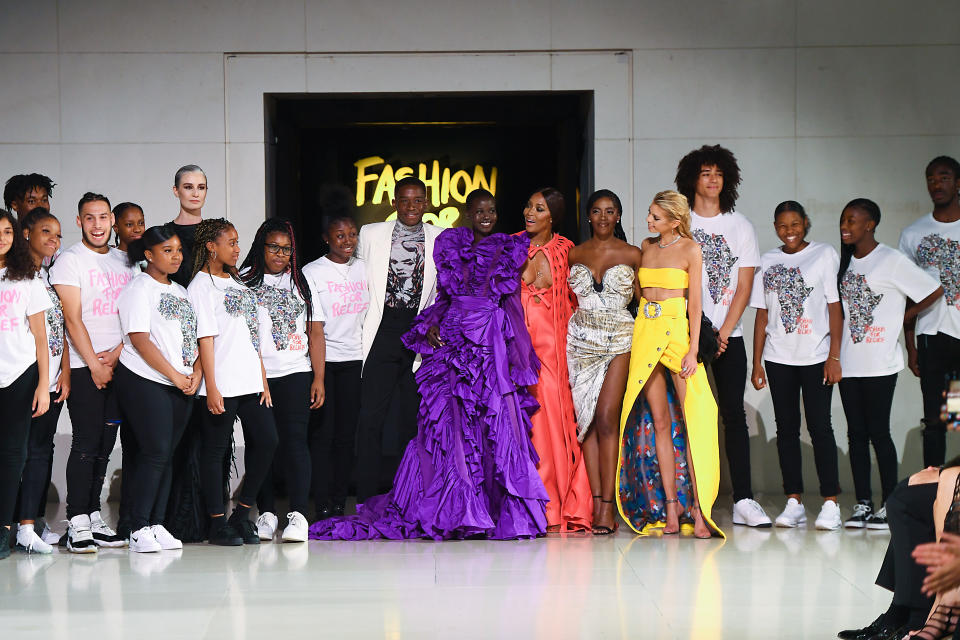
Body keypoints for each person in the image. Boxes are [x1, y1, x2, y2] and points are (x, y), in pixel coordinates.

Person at [309, 188, 548, 540]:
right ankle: (371, 498)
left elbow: (514, 294)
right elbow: (435, 293)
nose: (485, 215)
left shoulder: (478, 242)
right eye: (479, 210)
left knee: (470, 420)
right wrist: (434, 324)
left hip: (481, 341)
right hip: (408, 333)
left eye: (491, 210)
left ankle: (478, 504)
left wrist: (513, 345)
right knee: (396, 420)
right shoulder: (387, 236)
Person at [618, 190, 722, 539]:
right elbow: (637, 294)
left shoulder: (691, 250)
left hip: (678, 334)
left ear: (675, 221)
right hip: (646, 332)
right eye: (649, 214)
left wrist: (693, 351)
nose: (649, 221)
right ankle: (671, 507)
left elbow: (696, 306)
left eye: (656, 217)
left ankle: (700, 509)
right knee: (659, 421)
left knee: (695, 420)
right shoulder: (646, 248)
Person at [675, 144, 770, 527]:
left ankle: (744, 499)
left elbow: (745, 286)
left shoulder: (740, 225)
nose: (713, 180)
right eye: (705, 173)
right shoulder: (682, 225)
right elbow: (673, 282)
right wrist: (700, 333)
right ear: (692, 179)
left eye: (718, 173)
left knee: (733, 415)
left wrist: (724, 333)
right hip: (688, 334)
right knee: (687, 416)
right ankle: (688, 500)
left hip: (730, 336)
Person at [838, 198, 942, 529]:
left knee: (878, 432)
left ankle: (887, 503)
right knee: (856, 434)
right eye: (843, 220)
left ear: (870, 224)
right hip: (850, 362)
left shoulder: (891, 260)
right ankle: (862, 503)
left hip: (881, 362)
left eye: (852, 220)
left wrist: (901, 318)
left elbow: (933, 290)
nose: (845, 226)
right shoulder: (846, 263)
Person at [50, 192, 137, 553]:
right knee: (86, 442)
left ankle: (94, 515)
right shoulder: (70, 261)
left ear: (112, 222)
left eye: (103, 218)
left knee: (106, 443)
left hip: (122, 364)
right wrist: (95, 364)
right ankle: (77, 520)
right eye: (90, 218)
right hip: (85, 367)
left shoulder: (126, 261)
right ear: (79, 221)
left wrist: (116, 356)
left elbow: (134, 313)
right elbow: (72, 318)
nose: (98, 225)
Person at [749, 201, 843, 530]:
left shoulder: (824, 253)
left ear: (806, 222)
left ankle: (831, 502)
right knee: (786, 429)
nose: (790, 231)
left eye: (795, 224)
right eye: (782, 226)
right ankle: (794, 501)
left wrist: (834, 356)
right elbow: (762, 314)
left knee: (820, 427)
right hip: (778, 356)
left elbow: (834, 307)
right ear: (775, 227)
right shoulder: (767, 261)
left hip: (816, 356)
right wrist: (756, 361)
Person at [187, 218, 278, 546]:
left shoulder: (238, 282)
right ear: (212, 246)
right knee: (215, 452)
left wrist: (263, 379)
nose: (238, 249)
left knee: (268, 441)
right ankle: (216, 523)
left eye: (238, 242)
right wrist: (211, 386)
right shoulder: (201, 286)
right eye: (231, 242)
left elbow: (252, 335)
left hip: (250, 381)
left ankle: (241, 515)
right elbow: (205, 340)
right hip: (221, 382)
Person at [354, 177, 442, 502]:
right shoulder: (370, 233)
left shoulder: (439, 238)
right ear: (394, 202)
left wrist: (433, 324)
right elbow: (359, 283)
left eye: (417, 201)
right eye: (404, 201)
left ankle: (408, 495)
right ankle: (365, 496)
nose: (410, 207)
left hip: (418, 333)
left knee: (411, 419)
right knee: (371, 418)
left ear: (426, 203)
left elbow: (441, 291)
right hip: (383, 328)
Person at [115, 225, 201, 552]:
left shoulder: (180, 291)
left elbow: (192, 336)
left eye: (178, 250)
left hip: (181, 382)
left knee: (166, 456)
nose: (176, 256)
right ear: (149, 255)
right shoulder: (140, 288)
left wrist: (193, 373)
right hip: (146, 380)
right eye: (167, 250)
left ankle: (156, 523)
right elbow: (139, 338)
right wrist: (174, 376)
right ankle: (137, 527)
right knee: (154, 453)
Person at [240, 218, 325, 543]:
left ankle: (299, 515)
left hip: (295, 373)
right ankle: (265, 513)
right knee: (262, 445)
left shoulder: (301, 283)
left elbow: (315, 332)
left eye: (286, 249)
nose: (280, 254)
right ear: (261, 247)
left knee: (294, 443)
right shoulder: (244, 282)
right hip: (254, 375)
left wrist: (318, 377)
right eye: (274, 247)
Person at [566, 189, 642, 535]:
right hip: (580, 340)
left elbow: (647, 303)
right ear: (589, 216)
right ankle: (595, 502)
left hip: (620, 338)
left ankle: (608, 506)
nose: (603, 218)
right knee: (588, 423)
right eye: (596, 212)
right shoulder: (574, 253)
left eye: (610, 212)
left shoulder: (633, 254)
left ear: (618, 216)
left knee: (608, 415)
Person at [520, 187, 592, 533]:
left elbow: (577, 302)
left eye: (538, 209)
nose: (529, 213)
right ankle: (523, 504)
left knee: (548, 420)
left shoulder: (566, 251)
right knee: (521, 420)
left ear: (553, 217)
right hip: (517, 347)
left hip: (552, 350)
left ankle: (551, 503)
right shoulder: (511, 245)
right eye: (529, 206)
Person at [303, 214, 369, 519]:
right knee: (322, 437)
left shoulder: (364, 269)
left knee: (347, 437)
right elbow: (314, 328)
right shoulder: (312, 271)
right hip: (325, 363)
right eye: (340, 236)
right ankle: (321, 502)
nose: (348, 241)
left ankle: (340, 502)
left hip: (356, 361)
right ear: (326, 238)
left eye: (352, 234)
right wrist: (318, 376)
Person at [899, 156, 960, 468]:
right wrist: (910, 346)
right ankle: (933, 490)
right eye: (931, 178)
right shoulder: (914, 234)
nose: (937, 184)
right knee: (935, 420)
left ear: (958, 183)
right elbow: (907, 297)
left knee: (957, 418)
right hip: (932, 339)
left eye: (944, 177)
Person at [14, 208, 68, 552]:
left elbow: (59, 327)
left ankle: (30, 520)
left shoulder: (48, 276)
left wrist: (64, 371)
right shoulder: (15, 277)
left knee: (40, 450)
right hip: (26, 377)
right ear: (26, 234)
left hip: (52, 378)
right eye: (46, 231)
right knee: (21, 452)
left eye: (58, 234)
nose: (53, 239)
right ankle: (21, 525)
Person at [0, 210, 51, 560]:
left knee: (12, 455)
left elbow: (40, 336)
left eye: (7, 230)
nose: (3, 236)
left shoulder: (26, 278)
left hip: (19, 374)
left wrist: (43, 385)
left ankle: (5, 529)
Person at [169, 165, 207, 288]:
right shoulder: (164, 234)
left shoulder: (217, 233)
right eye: (188, 187)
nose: (196, 194)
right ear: (176, 190)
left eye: (201, 187)